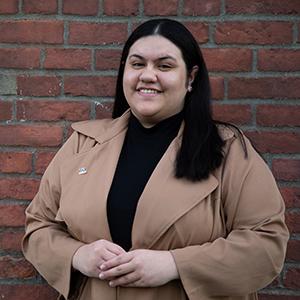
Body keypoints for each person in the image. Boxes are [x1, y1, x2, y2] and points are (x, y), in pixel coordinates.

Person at [22, 19, 289, 300]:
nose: (147, 75)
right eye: (137, 64)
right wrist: (77, 255)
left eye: (164, 66)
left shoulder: (228, 151)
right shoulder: (82, 144)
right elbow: (38, 226)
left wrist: (175, 265)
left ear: (191, 78)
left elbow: (266, 244)